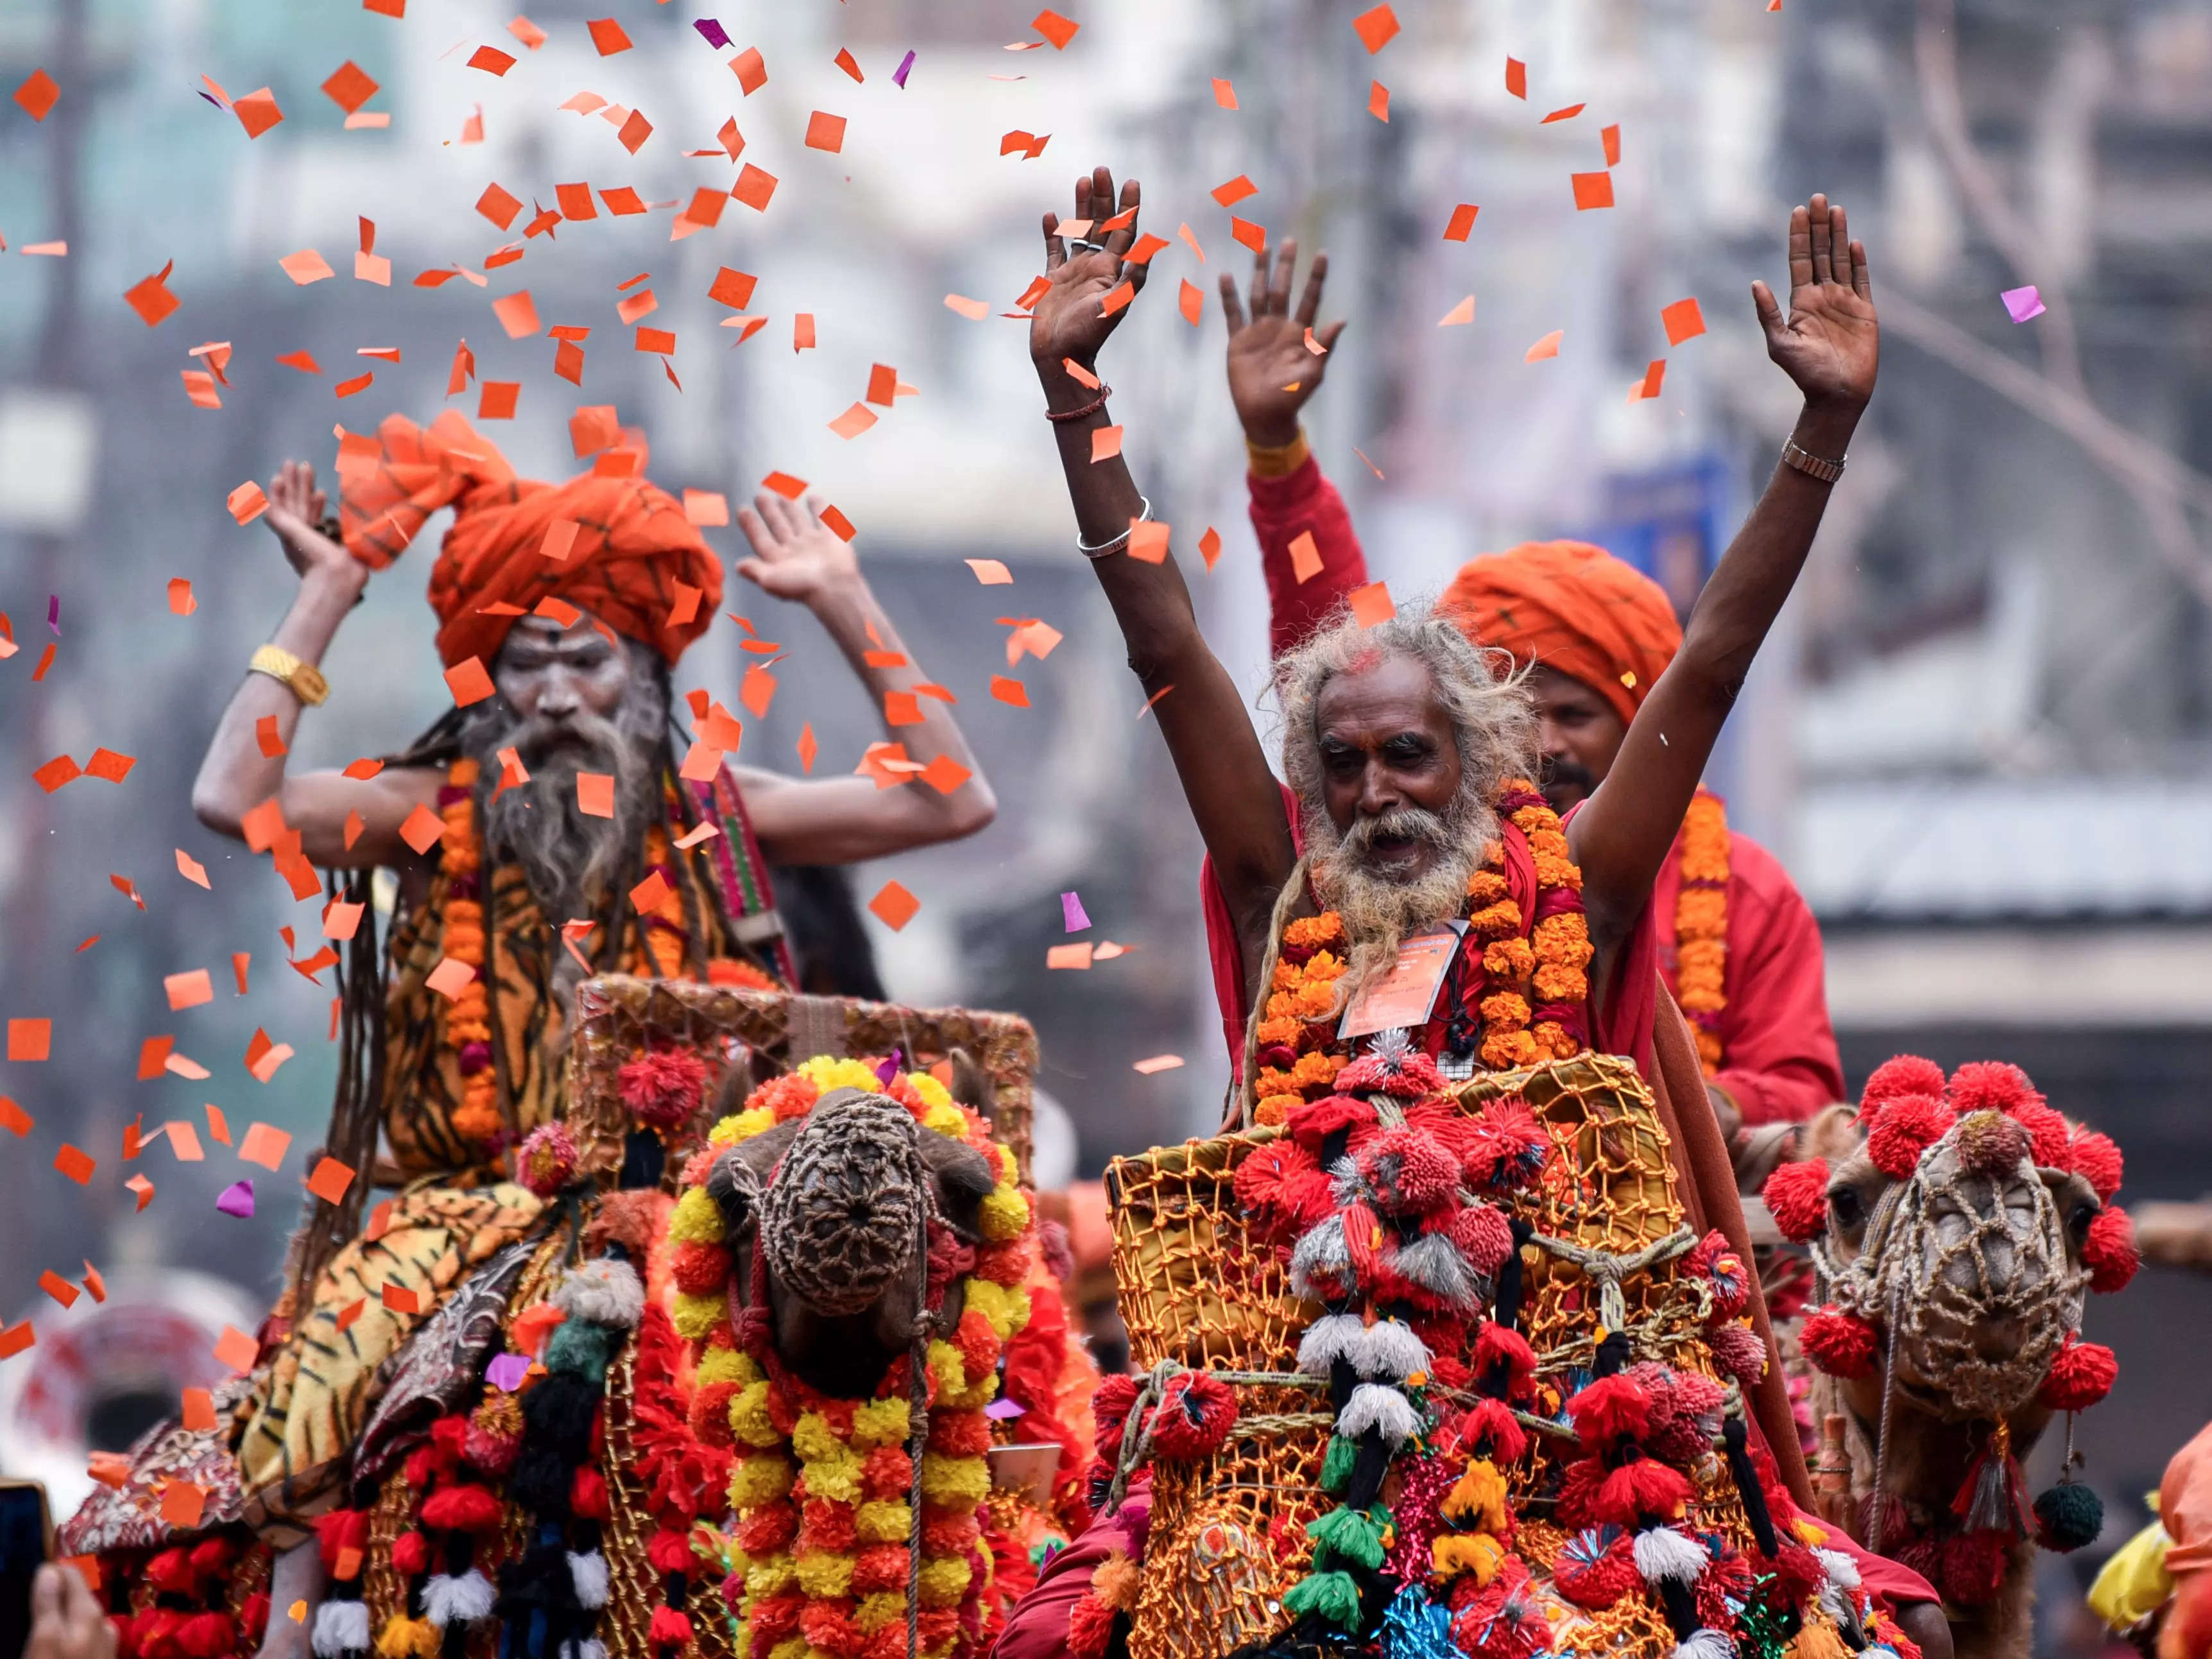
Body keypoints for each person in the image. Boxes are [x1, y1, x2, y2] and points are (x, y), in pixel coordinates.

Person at [1000, 163, 1950, 1659]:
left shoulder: (1579, 886)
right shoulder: (1282, 891)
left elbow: (1703, 663)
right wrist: (1072, 398)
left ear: (1478, 762)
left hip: (1572, 1425)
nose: (1376, 790)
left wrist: (1820, 433)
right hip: (1286, 1441)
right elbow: (1160, 634)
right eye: (1344, 763)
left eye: (1408, 756)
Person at [148, 411, 990, 1651]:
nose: (551, 694)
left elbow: (953, 797)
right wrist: (327, 594)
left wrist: (848, 600)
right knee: (288, 1448)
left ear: (645, 675)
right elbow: (233, 798)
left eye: (586, 660)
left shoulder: (715, 809)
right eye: (524, 660)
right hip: (452, 1221)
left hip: (693, 1223)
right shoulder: (427, 808)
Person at [1209, 239, 1844, 1165]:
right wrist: (1279, 456)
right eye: (1510, 715)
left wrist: (1651, 1085)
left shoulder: (1703, 886)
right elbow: (1338, 662)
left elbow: (1712, 664)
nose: (1540, 744)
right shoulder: (1397, 873)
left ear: (1641, 728)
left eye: (1573, 712)